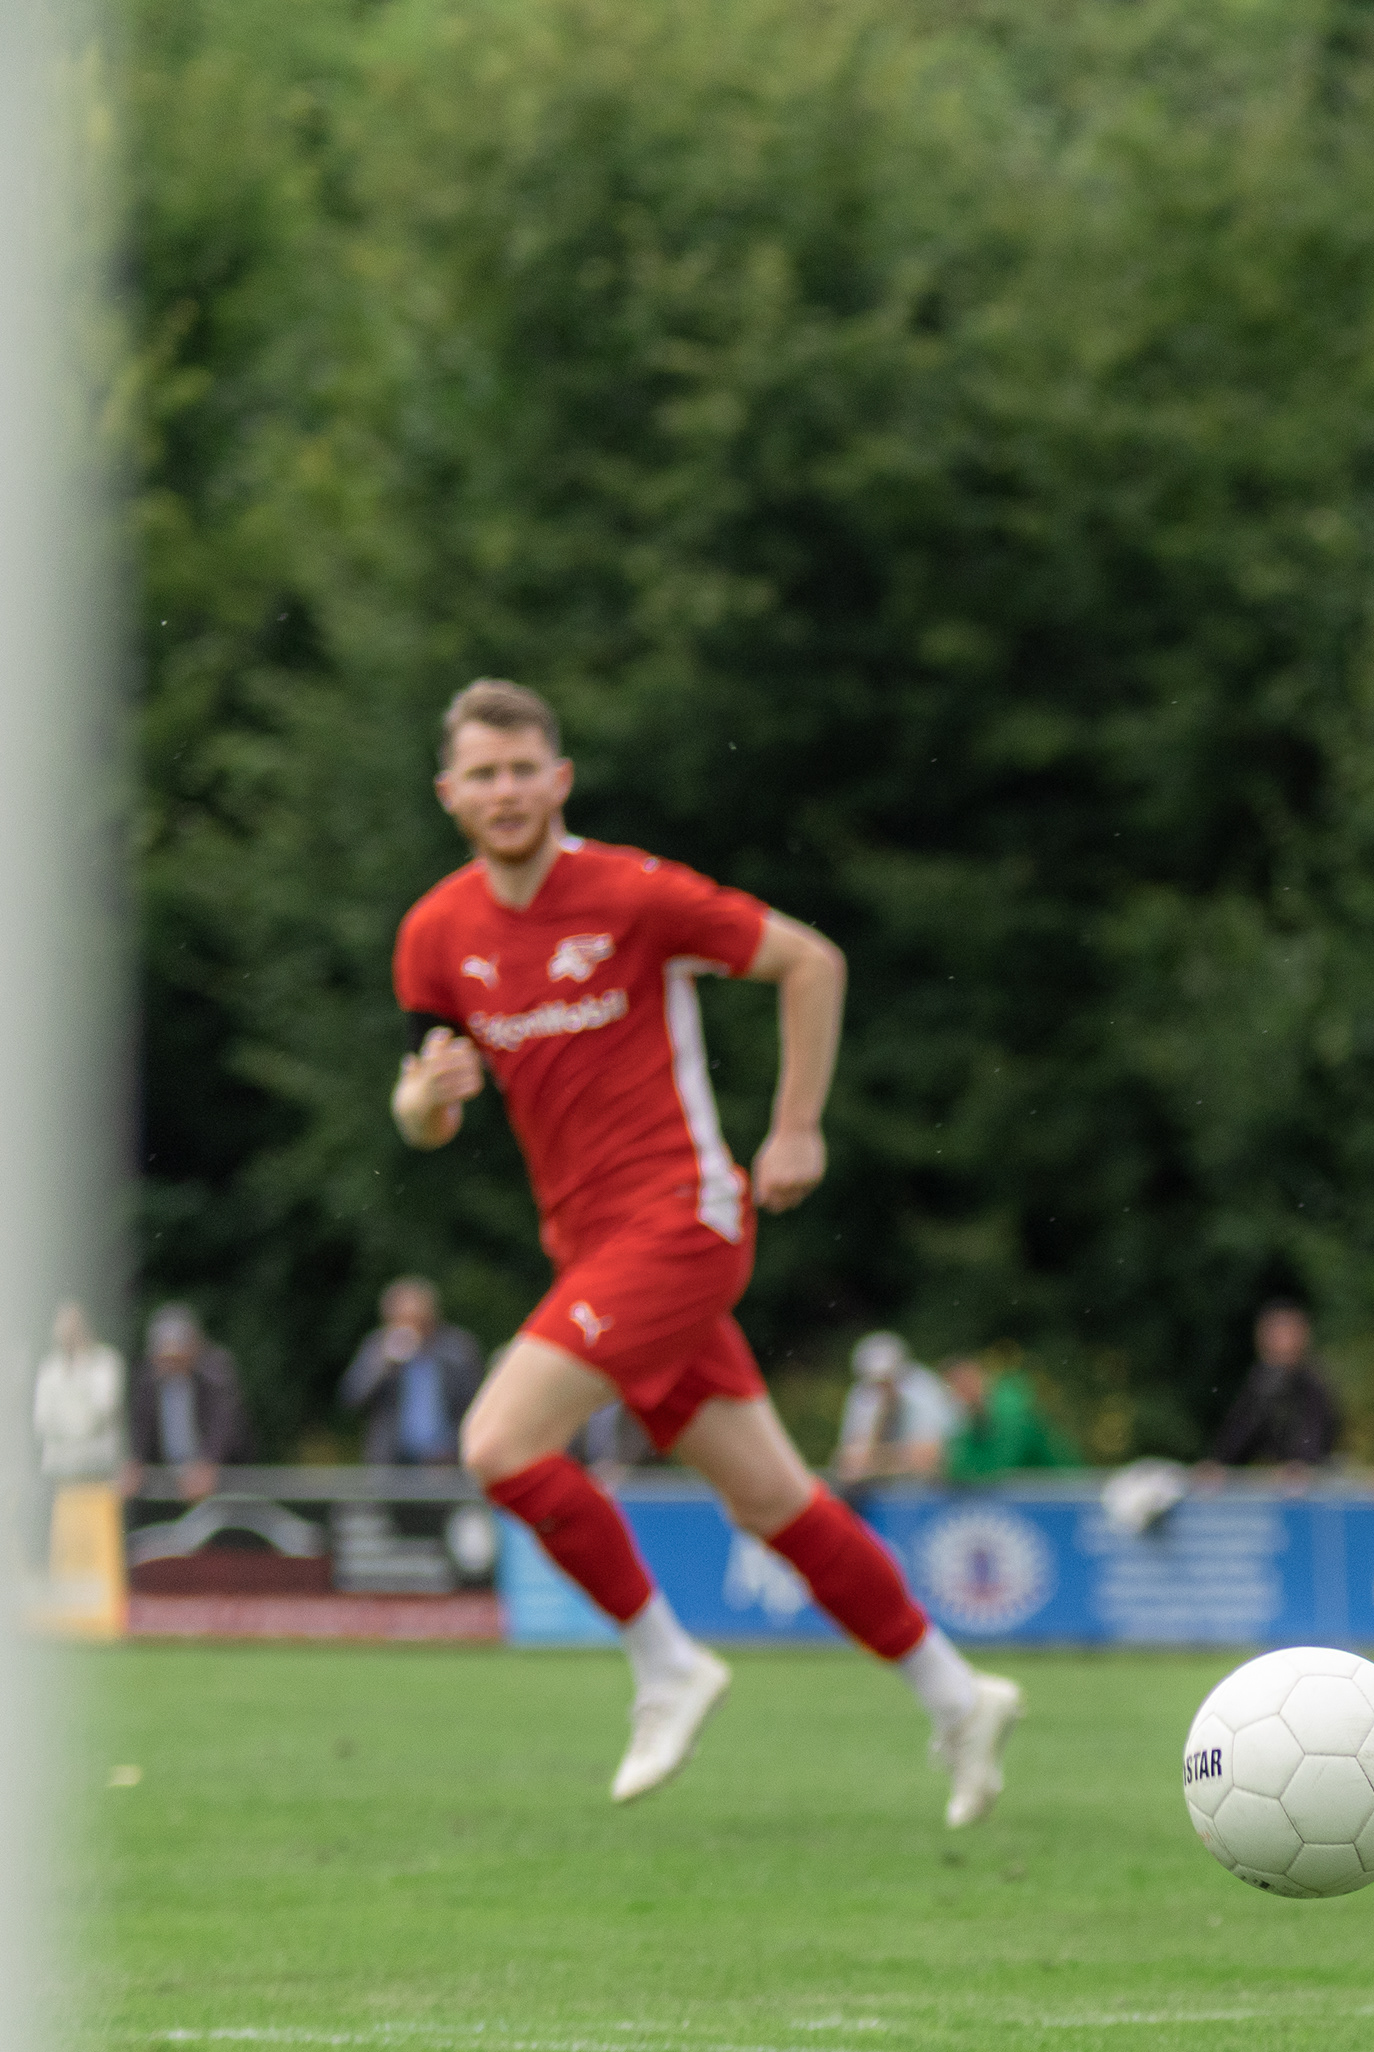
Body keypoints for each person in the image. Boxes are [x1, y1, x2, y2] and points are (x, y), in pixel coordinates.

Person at [389, 678, 1021, 1824]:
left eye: (524, 768)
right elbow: (423, 1108)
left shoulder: (632, 891)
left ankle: (666, 1663)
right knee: (774, 1499)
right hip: (591, 1253)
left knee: (498, 1442)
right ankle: (958, 1694)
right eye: (483, 773)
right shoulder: (436, 935)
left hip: (682, 1223)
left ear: (560, 778)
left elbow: (811, 961)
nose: (506, 790)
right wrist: (423, 1103)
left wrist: (796, 1126)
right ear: (449, 794)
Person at [338, 1276, 484, 1467]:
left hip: (445, 1461)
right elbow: (351, 1398)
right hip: (391, 1462)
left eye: (418, 1320)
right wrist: (384, 1363)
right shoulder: (377, 1347)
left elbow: (476, 1403)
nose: (412, 1327)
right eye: (403, 1320)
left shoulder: (458, 1347)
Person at [124, 1304, 248, 1500]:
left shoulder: (215, 1375)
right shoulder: (147, 1381)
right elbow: (140, 1426)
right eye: (162, 1357)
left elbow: (223, 1424)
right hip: (168, 1480)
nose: (169, 1365)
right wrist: (135, 1463)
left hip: (222, 1480)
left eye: (175, 1357)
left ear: (192, 1350)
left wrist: (207, 1464)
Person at [1205, 1301, 1343, 1475]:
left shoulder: (1311, 1383)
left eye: (1285, 1334)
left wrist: (1302, 1463)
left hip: (1311, 1477)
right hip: (1279, 1477)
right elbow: (1241, 1431)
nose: (1278, 1342)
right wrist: (1219, 1463)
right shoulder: (1261, 1382)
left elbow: (1315, 1433)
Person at [832, 1331, 956, 1484]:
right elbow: (849, 1461)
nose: (881, 1387)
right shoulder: (862, 1393)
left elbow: (927, 1458)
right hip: (883, 1486)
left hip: (931, 1486)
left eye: (886, 1379)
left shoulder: (924, 1388)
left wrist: (873, 1460)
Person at [942, 1352, 1075, 1480]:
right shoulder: (971, 1423)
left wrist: (945, 1468)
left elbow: (995, 1469)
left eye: (966, 1382)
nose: (961, 1393)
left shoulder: (1014, 1412)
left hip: (1064, 1486)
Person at [33, 1301, 123, 1483]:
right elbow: (42, 1419)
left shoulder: (106, 1362)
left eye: (75, 1327)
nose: (69, 1333)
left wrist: (80, 1364)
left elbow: (103, 1409)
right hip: (60, 1471)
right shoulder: (49, 1368)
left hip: (98, 1468)